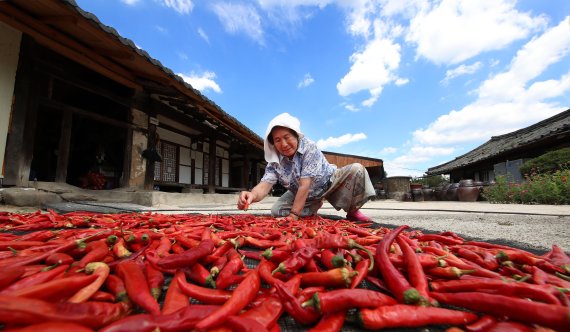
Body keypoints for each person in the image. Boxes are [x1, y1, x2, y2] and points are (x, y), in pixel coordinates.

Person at [237, 113, 376, 222]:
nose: (284, 144)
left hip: (329, 183)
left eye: (287, 137)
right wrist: (252, 195)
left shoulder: (309, 147)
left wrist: (294, 215)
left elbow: (305, 184)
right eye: (277, 140)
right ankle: (313, 206)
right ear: (273, 143)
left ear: (296, 135)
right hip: (303, 194)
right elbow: (264, 185)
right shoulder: (274, 161)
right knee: (276, 211)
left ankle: (352, 211)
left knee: (357, 169)